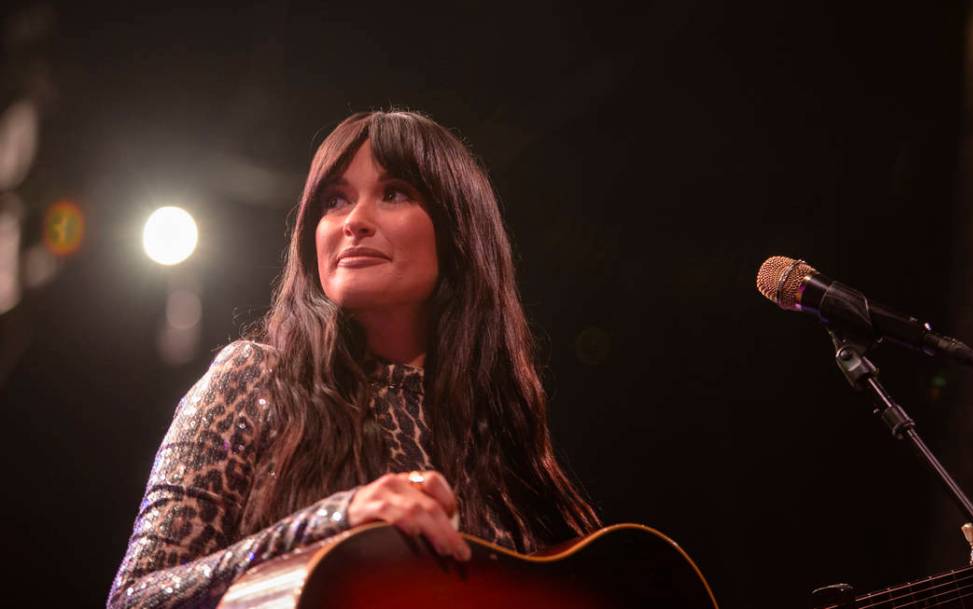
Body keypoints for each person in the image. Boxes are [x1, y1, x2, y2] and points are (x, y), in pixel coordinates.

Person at [107, 110, 602, 609]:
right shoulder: (254, 379)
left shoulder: (499, 429)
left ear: (458, 230)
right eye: (334, 200)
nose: (354, 222)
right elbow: (134, 600)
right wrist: (337, 522)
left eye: (394, 193)